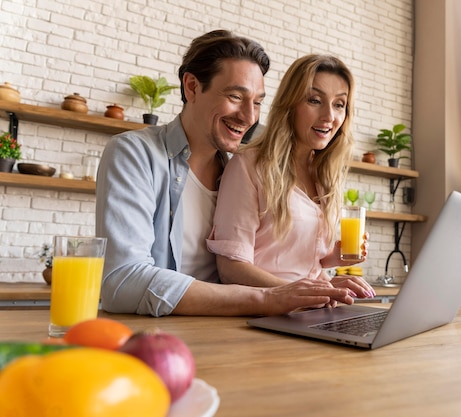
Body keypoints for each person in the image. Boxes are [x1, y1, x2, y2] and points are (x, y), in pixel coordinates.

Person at [96, 31, 355, 317]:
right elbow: (122, 282)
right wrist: (268, 298)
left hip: (227, 331)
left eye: (257, 102)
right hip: (158, 335)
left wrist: (319, 286)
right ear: (192, 87)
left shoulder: (241, 168)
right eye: (235, 96)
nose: (249, 117)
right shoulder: (135, 154)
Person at [207, 54, 376, 299]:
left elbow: (302, 263)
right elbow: (231, 269)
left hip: (311, 311)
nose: (329, 116)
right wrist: (302, 292)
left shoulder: (325, 176)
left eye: (339, 104)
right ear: (290, 104)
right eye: (315, 100)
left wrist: (333, 260)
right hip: (263, 317)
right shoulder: (248, 167)